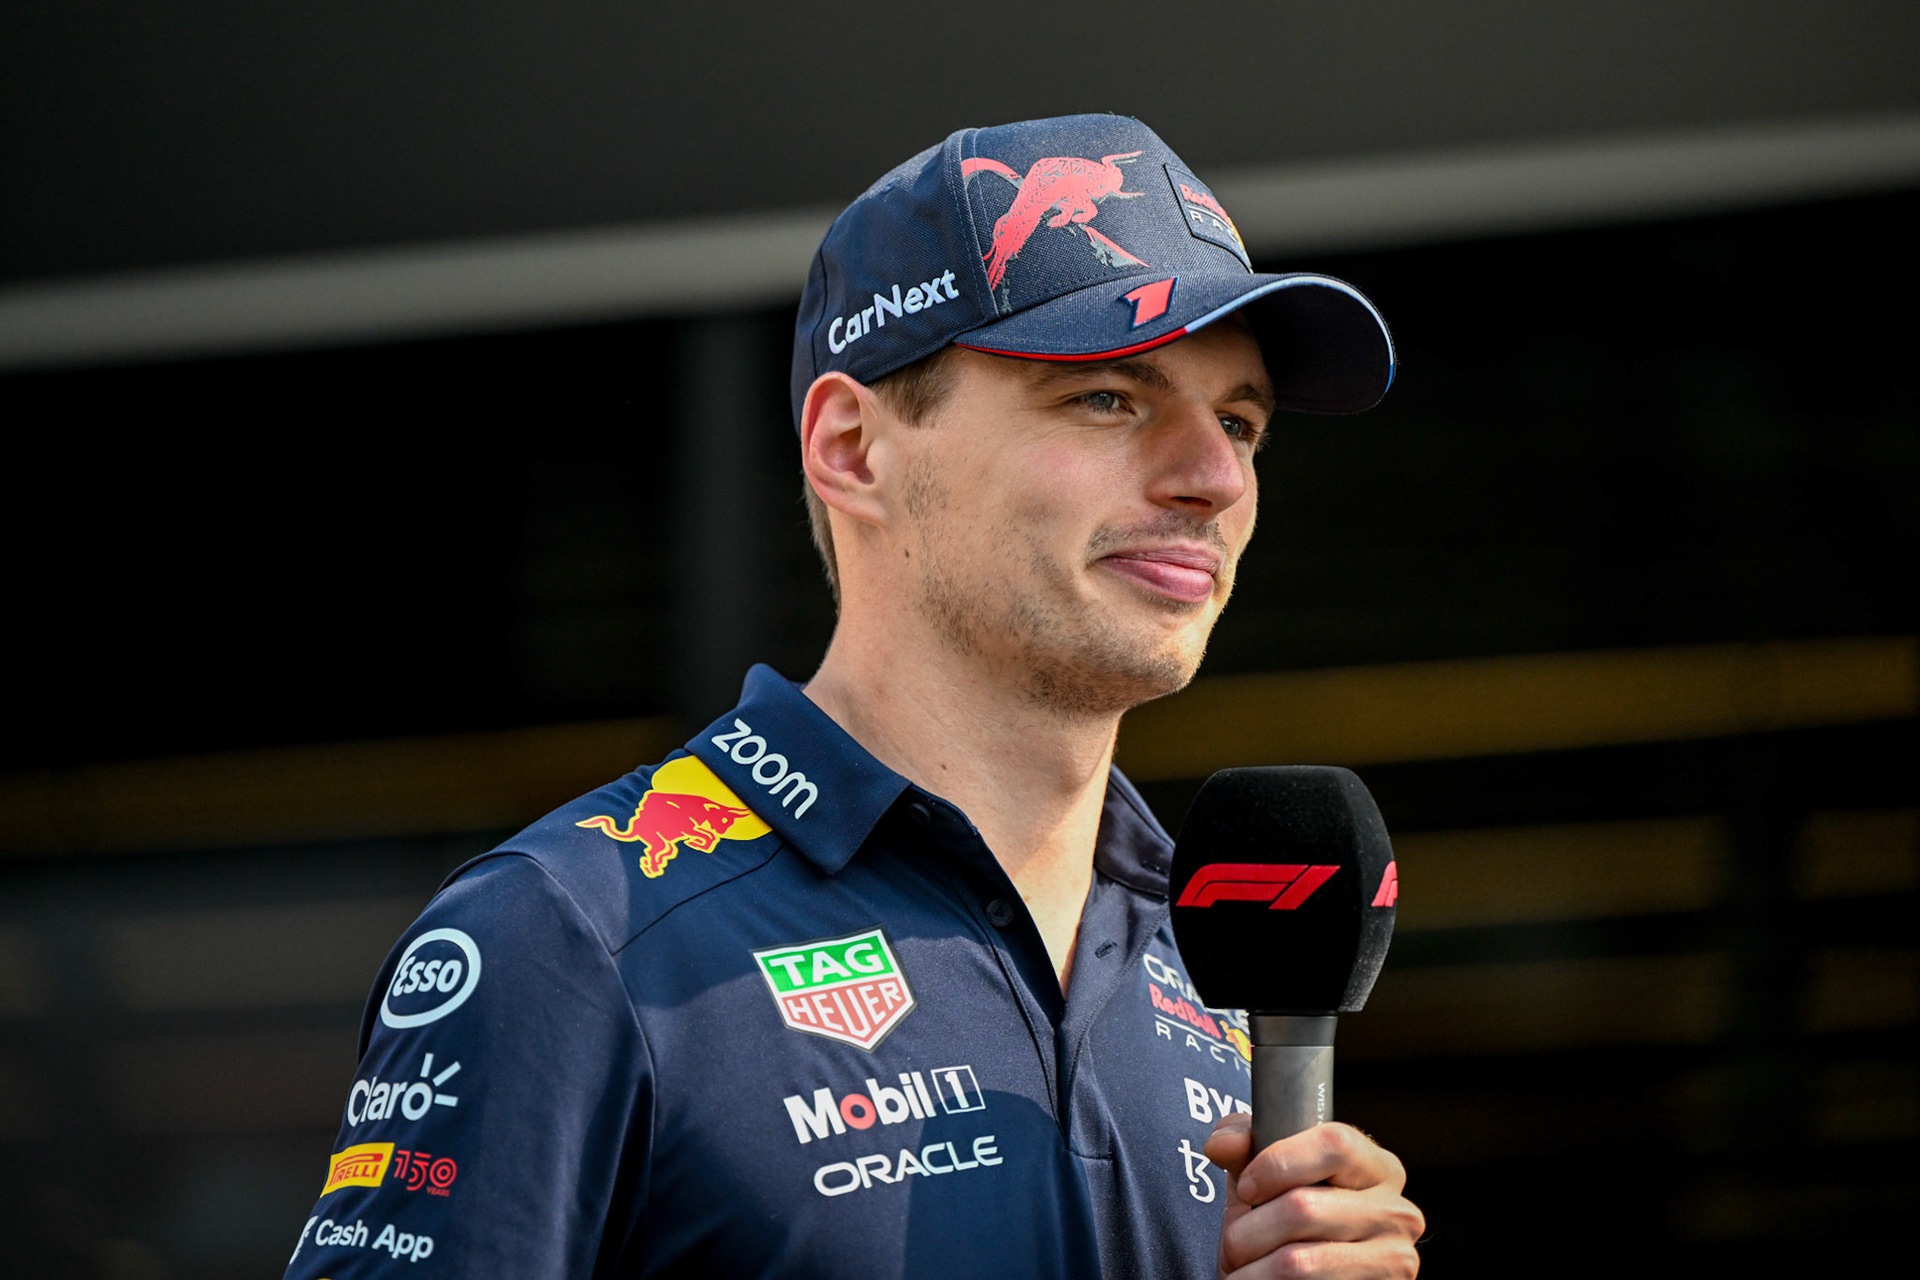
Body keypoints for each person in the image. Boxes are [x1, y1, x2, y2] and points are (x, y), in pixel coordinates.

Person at [285, 113, 1423, 1279]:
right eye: (1108, 398)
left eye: (1240, 422)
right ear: (851, 446)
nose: (1215, 478)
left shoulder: (1212, 963)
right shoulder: (576, 934)